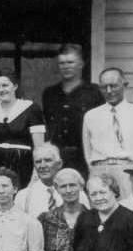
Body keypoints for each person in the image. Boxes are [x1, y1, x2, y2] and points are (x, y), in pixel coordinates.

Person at [83, 67, 133, 200]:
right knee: (101, 210)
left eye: (113, 86)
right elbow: (87, 151)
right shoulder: (91, 116)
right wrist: (94, 170)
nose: (109, 91)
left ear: (124, 85)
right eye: (104, 87)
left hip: (128, 170)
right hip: (99, 169)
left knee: (129, 211)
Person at [41, 44, 103, 177]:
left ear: (81, 64)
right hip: (57, 159)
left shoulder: (94, 92)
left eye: (70, 62)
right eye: (62, 63)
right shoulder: (50, 93)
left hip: (85, 157)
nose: (66, 66)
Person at [0, 70, 46, 188]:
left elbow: (39, 147)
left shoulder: (30, 108)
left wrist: (35, 176)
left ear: (14, 86)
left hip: (24, 167)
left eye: (5, 85)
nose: (1, 89)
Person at [15, 143, 88, 218]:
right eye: (38, 162)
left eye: (48, 160)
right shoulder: (24, 196)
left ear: (59, 164)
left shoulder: (76, 193)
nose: (42, 166)